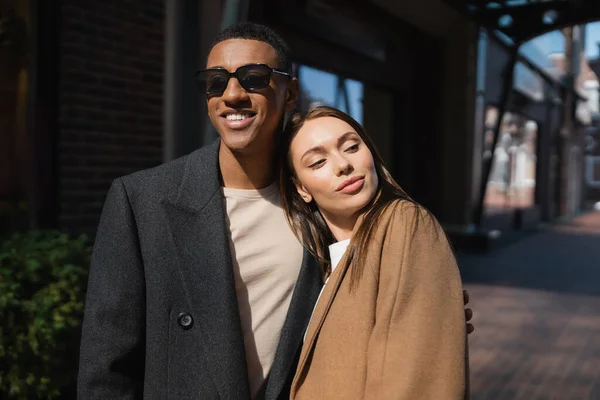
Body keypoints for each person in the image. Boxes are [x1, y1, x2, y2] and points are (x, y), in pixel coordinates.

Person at [77, 22, 473, 400]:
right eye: (215, 81)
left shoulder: (316, 197)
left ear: (290, 92)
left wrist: (433, 307)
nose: (231, 94)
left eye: (254, 77)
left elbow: (364, 285)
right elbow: (106, 367)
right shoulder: (142, 200)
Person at [280, 106, 469, 399]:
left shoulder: (405, 223)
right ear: (301, 189)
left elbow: (415, 383)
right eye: (318, 162)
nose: (343, 164)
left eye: (352, 147)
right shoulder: (325, 267)